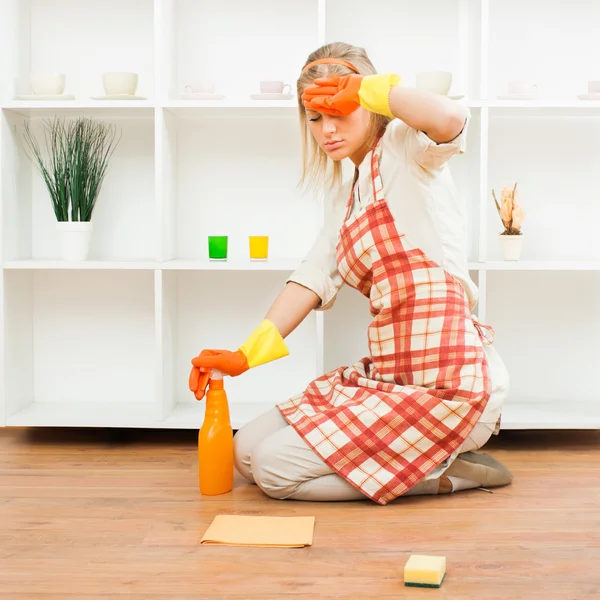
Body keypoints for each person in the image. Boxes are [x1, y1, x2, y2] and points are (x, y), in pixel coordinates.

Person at [189, 42, 512, 506]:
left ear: (369, 103)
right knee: (244, 453)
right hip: (392, 378)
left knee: (275, 473)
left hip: (450, 386)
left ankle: (446, 474)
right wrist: (244, 356)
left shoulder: (406, 147)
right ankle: (420, 464)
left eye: (339, 110)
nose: (327, 128)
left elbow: (450, 121)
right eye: (315, 117)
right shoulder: (347, 197)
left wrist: (367, 89)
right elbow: (311, 277)